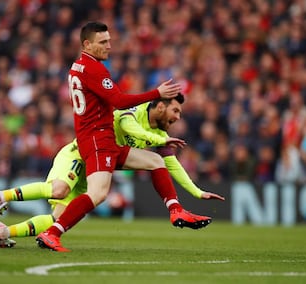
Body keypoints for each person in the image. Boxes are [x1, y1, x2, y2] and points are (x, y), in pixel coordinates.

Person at [34, 21, 210, 252]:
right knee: (97, 193)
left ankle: (176, 209)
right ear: (87, 44)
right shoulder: (94, 69)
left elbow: (164, 155)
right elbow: (118, 101)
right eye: (103, 42)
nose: (109, 46)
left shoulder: (78, 66)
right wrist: (155, 93)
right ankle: (52, 233)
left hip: (103, 139)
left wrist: (196, 191)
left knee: (155, 161)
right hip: (98, 140)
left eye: (109, 41)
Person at [0, 94, 225, 247]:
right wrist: (157, 140)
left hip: (99, 165)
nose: (178, 117)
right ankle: (1, 195)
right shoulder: (135, 112)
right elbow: (129, 129)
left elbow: (169, 163)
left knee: (59, 218)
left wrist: (196, 191)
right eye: (175, 111)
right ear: (160, 106)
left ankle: (4, 230)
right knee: (59, 189)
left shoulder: (159, 135)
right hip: (79, 153)